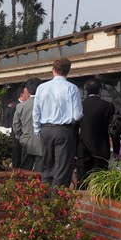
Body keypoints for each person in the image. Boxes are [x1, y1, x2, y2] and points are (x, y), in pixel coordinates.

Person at [33, 58, 83, 186]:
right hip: (63, 129)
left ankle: (44, 196)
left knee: (47, 165)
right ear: (68, 71)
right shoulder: (72, 88)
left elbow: (36, 111)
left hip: (45, 128)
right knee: (62, 167)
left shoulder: (42, 87)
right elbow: (77, 115)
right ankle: (58, 198)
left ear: (53, 70)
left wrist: (37, 129)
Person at [77, 78, 115, 186]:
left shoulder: (80, 105)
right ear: (100, 90)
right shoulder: (108, 106)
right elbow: (112, 128)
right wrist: (116, 148)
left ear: (86, 90)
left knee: (82, 182)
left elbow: (75, 128)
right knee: (100, 182)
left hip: (83, 148)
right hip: (101, 147)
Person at [12, 78, 42, 171]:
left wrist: (20, 137)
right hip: (42, 140)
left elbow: (16, 125)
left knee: (25, 169)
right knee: (40, 170)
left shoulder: (20, 106)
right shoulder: (44, 104)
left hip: (26, 140)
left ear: (27, 90)